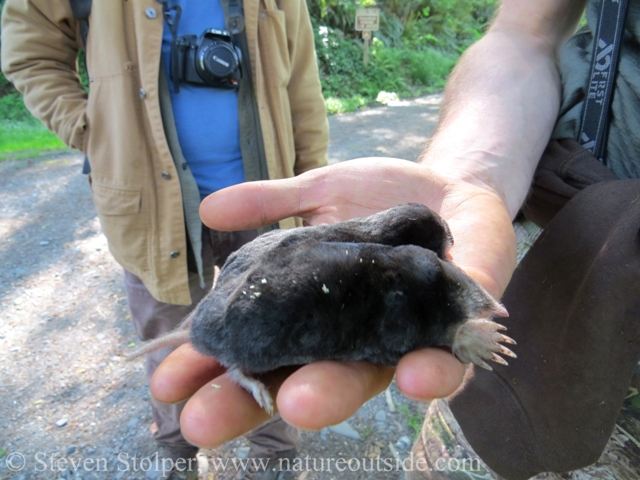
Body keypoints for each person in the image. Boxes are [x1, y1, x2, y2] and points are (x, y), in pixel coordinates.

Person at [149, 0, 640, 478]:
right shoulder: (395, 272)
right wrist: (470, 176)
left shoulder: (386, 266)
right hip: (578, 230)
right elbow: (524, 32)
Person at [1, 0, 328, 479]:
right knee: (168, 346)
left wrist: (312, 184)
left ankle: (274, 453)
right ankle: (177, 456)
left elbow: (302, 82)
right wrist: (89, 127)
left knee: (278, 332)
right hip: (149, 208)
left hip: (268, 195)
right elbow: (30, 50)